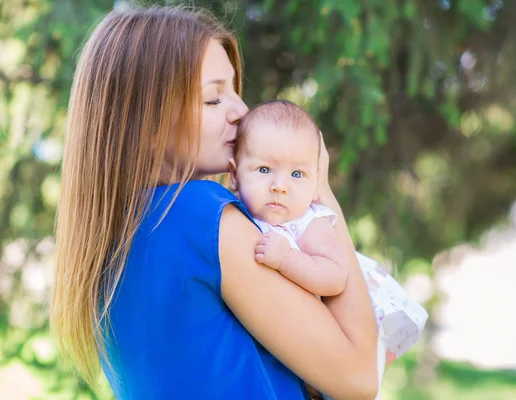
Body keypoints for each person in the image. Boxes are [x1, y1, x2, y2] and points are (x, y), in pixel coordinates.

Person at [50, 5, 379, 400]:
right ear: (146, 125)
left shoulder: (112, 235)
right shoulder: (199, 216)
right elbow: (359, 379)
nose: (241, 111)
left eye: (235, 91)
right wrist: (319, 188)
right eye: (213, 99)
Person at [228, 100, 428, 399]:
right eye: (264, 169)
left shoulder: (310, 223)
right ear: (234, 174)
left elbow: (335, 278)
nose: (280, 185)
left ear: (315, 180)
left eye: (297, 174)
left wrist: (287, 259)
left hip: (339, 338)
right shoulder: (235, 217)